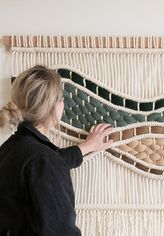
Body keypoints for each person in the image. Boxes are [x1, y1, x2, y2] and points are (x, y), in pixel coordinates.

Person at [0, 65, 113, 236]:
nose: (63, 103)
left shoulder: (10, 148)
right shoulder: (44, 161)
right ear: (54, 106)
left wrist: (87, 146)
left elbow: (44, 166)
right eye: (61, 98)